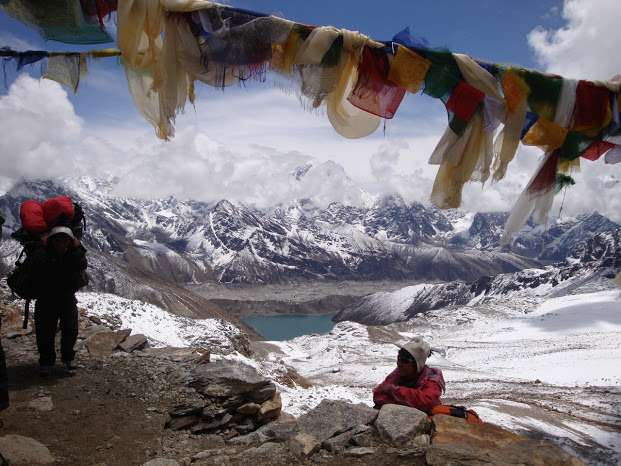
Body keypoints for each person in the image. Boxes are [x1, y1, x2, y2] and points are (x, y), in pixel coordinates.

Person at [27, 225, 88, 376]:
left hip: (66, 297)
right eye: (58, 241)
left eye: (64, 241)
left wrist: (76, 249)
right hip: (46, 298)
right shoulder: (43, 252)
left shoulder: (72, 253)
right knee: (45, 331)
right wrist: (42, 248)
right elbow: (33, 266)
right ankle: (46, 362)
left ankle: (67, 357)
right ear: (52, 241)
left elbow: (82, 264)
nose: (61, 244)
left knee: (71, 329)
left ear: (69, 242)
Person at [373, 336, 445, 413]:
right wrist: (408, 400)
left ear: (418, 365)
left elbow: (425, 402)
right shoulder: (396, 374)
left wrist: (393, 391)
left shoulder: (432, 380)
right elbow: (378, 395)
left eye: (405, 360)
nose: (399, 363)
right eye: (399, 358)